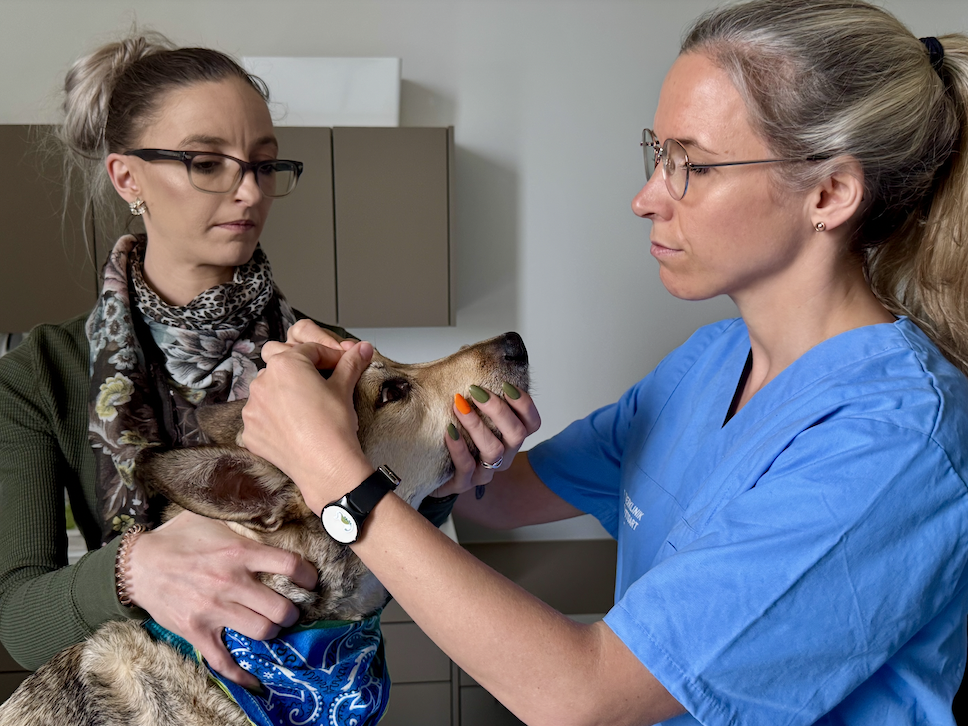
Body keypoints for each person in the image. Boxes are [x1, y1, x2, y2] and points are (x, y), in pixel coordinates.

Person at [240, 0, 968, 724]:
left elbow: (581, 696)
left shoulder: (895, 442)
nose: (646, 198)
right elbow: (509, 498)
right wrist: (407, 435)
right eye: (658, 154)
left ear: (830, 193)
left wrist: (336, 480)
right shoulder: (710, 361)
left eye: (692, 165)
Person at [0, 31, 456, 695]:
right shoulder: (40, 374)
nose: (249, 192)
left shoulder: (333, 357)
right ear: (128, 177)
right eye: (208, 163)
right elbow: (17, 617)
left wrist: (447, 481)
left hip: (312, 698)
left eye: (264, 165)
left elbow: (376, 545)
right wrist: (132, 571)